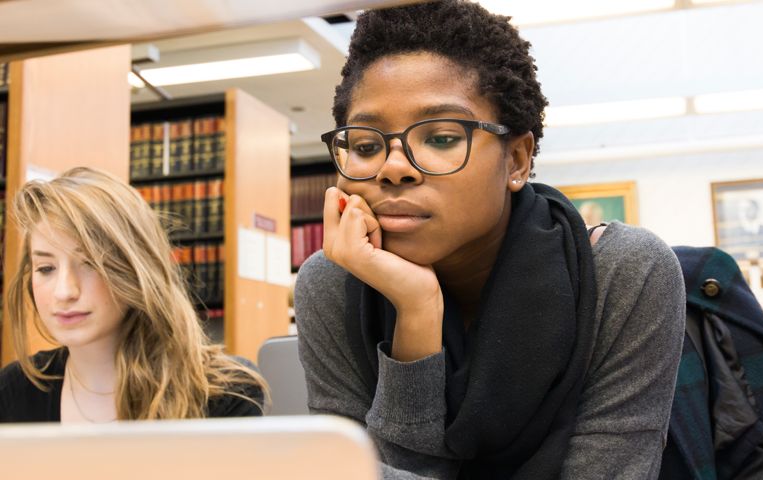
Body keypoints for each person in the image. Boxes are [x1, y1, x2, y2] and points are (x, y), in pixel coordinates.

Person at [294, 1, 686, 478]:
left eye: (440, 137)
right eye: (365, 146)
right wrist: (415, 312)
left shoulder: (623, 272)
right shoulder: (333, 283)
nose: (393, 167)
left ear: (517, 160)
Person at [0, 167, 267, 423]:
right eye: (46, 268)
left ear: (135, 269)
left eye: (91, 264)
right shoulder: (13, 390)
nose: (65, 291)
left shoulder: (226, 392)